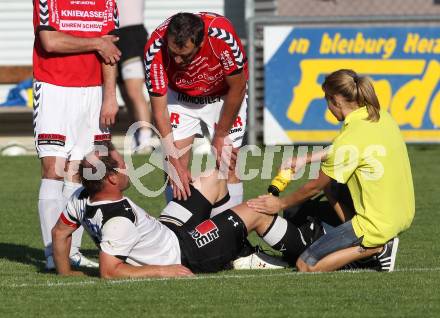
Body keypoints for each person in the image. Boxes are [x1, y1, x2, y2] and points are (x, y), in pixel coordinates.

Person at [51, 143, 322, 278]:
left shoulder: (81, 196)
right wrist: (163, 270)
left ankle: (236, 250)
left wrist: (65, 273)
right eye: (122, 166)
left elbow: (60, 231)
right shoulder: (118, 220)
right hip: (186, 252)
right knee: (257, 209)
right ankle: (312, 251)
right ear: (111, 179)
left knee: (213, 178)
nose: (127, 169)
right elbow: (110, 271)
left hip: (169, 232)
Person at [247, 69, 415, 272]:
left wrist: (279, 203)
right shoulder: (379, 117)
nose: (328, 108)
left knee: (306, 265)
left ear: (335, 100)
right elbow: (341, 150)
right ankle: (364, 245)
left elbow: (314, 187)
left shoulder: (351, 136)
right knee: (332, 187)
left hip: (376, 223)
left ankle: (376, 248)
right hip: (401, 214)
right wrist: (305, 159)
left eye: (327, 101)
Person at [32, 0, 120, 270]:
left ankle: (73, 252)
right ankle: (52, 254)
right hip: (53, 89)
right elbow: (49, 41)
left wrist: (109, 96)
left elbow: (110, 51)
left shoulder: (107, 3)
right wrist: (96, 42)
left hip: (93, 92)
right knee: (53, 169)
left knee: (81, 171)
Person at [144, 12, 247, 211]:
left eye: (185, 55)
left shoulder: (221, 37)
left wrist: (220, 134)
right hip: (181, 96)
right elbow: (159, 111)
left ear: (200, 44)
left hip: (223, 94)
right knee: (175, 164)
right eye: (173, 53)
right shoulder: (155, 47)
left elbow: (238, 86)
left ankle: (231, 237)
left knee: (227, 163)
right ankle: (179, 234)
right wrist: (173, 160)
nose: (177, 60)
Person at [116, 0, 157, 152]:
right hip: (112, 35)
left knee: (134, 90)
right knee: (125, 92)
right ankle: (137, 133)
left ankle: (146, 137)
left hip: (131, 35)